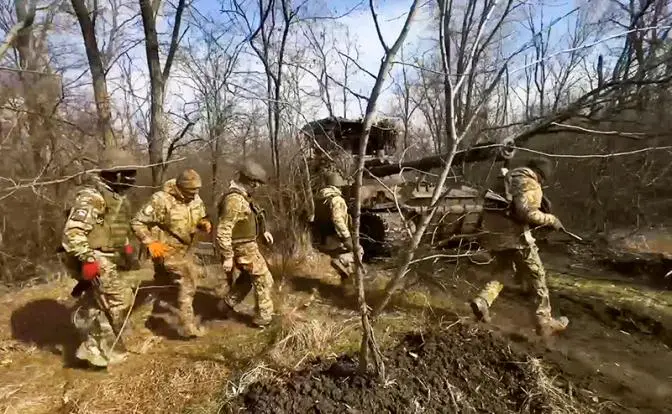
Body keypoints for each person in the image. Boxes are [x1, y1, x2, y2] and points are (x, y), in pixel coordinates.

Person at [472, 157, 569, 336]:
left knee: (504, 270)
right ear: (541, 175)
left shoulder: (506, 179)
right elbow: (526, 213)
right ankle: (544, 321)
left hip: (493, 234)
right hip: (515, 238)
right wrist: (552, 220)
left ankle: (483, 301)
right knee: (536, 275)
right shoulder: (529, 182)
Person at [61, 148, 138, 367]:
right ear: (115, 174)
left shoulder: (114, 196)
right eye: (128, 173)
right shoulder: (92, 196)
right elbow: (73, 232)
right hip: (91, 255)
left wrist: (126, 248)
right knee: (118, 298)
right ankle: (100, 350)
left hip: (106, 254)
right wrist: (88, 260)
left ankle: (90, 335)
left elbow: (111, 228)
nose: (132, 178)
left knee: (103, 300)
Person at [131, 169, 211, 338]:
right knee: (188, 279)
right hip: (164, 249)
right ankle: (187, 327)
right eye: (190, 191)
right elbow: (137, 223)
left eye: (197, 190)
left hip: (184, 249)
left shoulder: (196, 199)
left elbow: (201, 216)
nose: (194, 194)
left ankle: (140, 321)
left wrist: (203, 222)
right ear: (180, 187)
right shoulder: (161, 200)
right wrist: (150, 242)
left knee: (160, 285)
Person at [215, 160, 275, 327]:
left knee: (248, 279)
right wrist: (227, 257)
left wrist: (263, 231)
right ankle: (264, 318)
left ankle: (225, 305)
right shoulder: (234, 200)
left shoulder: (243, 197)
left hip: (247, 245)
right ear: (250, 181)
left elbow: (251, 217)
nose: (257, 187)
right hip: (242, 248)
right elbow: (224, 230)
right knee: (264, 280)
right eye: (256, 183)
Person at [312, 171, 362, 286]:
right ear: (338, 185)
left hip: (324, 236)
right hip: (336, 235)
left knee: (338, 254)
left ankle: (347, 283)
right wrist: (346, 236)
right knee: (359, 251)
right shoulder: (336, 199)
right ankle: (342, 265)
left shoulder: (320, 198)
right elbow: (337, 219)